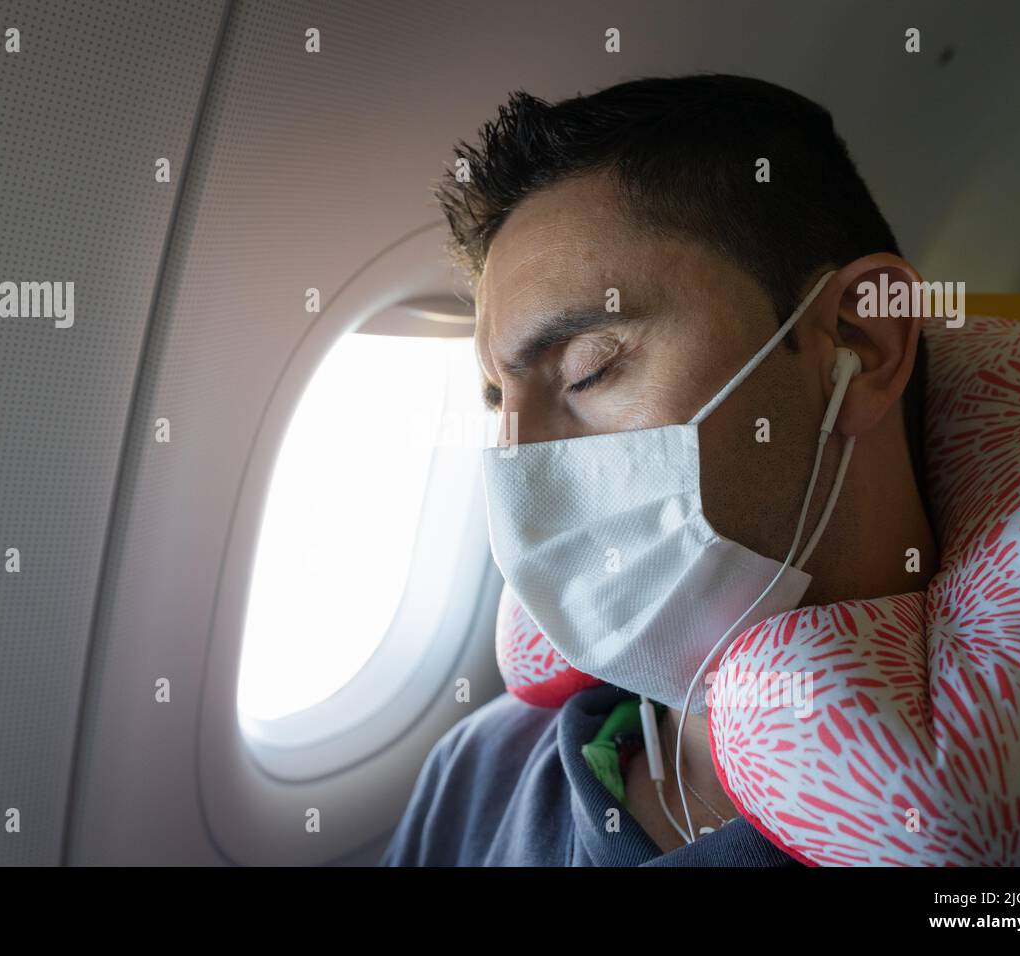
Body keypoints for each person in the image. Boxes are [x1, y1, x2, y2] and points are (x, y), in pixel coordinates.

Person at [382, 73, 943, 866]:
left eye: (588, 370)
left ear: (860, 342)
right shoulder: (479, 774)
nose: (517, 468)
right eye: (495, 405)